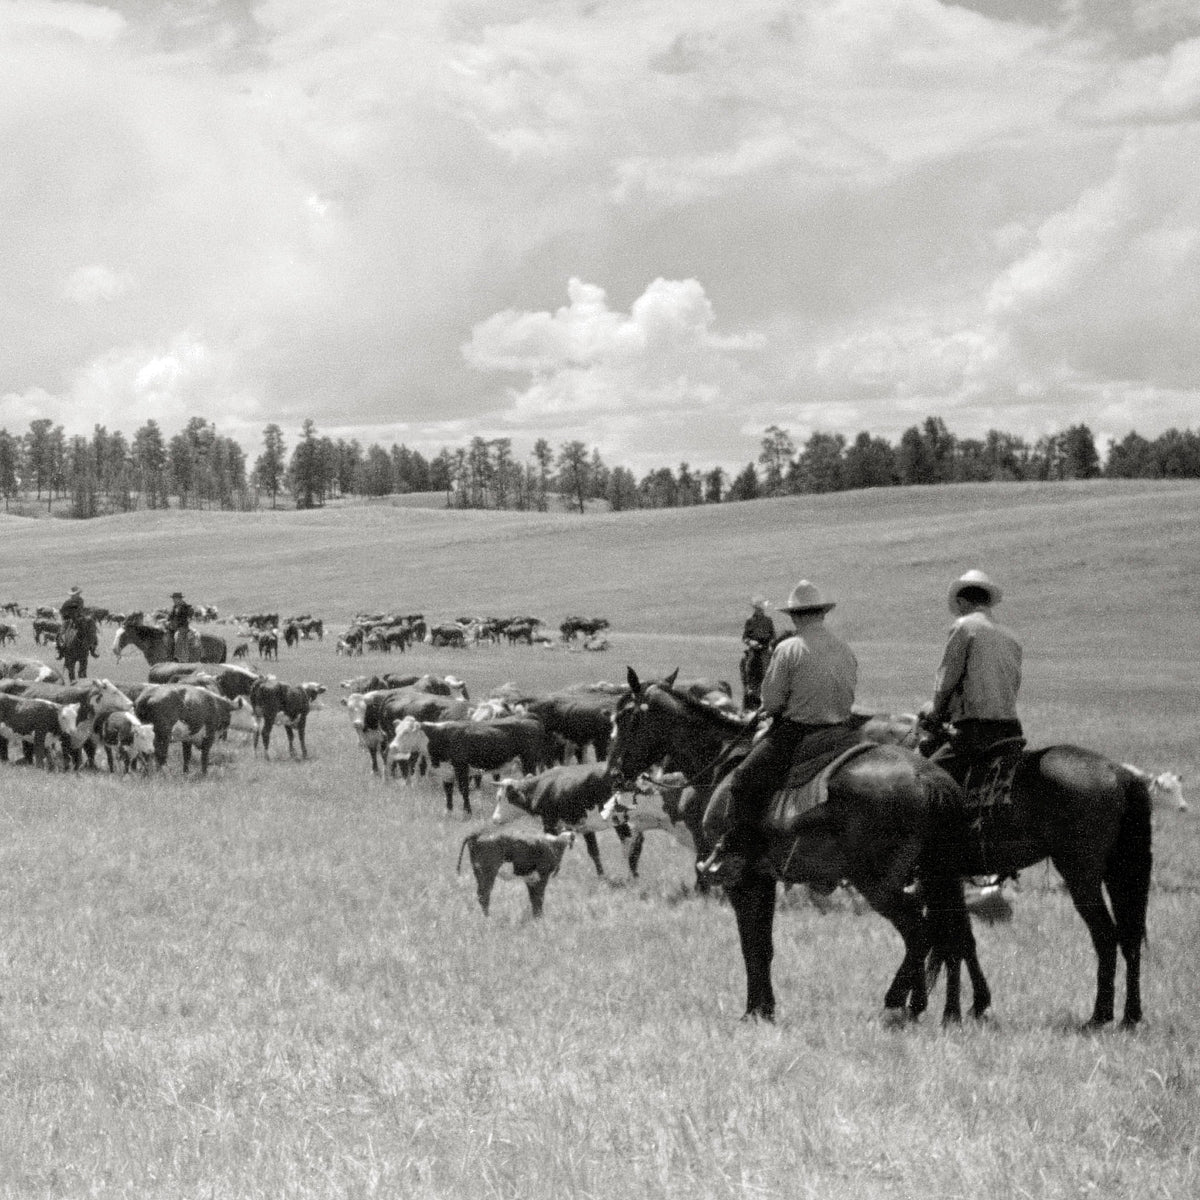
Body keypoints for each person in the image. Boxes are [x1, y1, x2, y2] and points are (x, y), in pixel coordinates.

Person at [702, 579, 859, 886]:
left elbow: (771, 701)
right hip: (842, 733)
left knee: (745, 778)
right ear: (822, 614)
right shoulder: (844, 648)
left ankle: (742, 852)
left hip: (800, 734)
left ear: (796, 616)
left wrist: (773, 708)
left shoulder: (788, 649)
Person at [919, 569, 1023, 782]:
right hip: (1011, 730)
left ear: (961, 601)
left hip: (976, 731)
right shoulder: (1012, 637)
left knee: (926, 780)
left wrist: (936, 712)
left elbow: (946, 680)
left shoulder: (965, 626)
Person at [739, 596, 777, 708]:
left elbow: (773, 636)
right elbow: (745, 637)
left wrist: (770, 644)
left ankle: (769, 688)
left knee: (768, 666)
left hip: (765, 647)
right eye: (758, 609)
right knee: (749, 664)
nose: (760, 611)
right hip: (754, 648)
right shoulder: (750, 621)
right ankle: (750, 687)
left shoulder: (768, 620)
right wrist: (751, 643)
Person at [166, 590, 194, 662]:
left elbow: (188, 617)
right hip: (173, 627)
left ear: (180, 599)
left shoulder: (186, 607)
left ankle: (178, 657)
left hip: (182, 627)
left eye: (175, 599)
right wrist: (167, 621)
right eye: (173, 599)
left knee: (178, 636)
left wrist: (176, 624)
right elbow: (170, 617)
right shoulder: (174, 607)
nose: (174, 600)